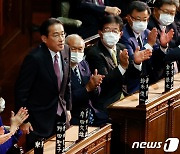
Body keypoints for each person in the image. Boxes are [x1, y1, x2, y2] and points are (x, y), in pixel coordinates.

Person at [14, 18, 72, 151]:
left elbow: (67, 82)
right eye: (56, 35)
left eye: (63, 34)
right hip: (38, 121)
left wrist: (67, 107)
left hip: (61, 117)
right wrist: (23, 121)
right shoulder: (35, 59)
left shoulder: (66, 50)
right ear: (44, 38)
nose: (61, 39)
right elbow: (21, 91)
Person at [85, 15, 151, 113]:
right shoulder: (94, 53)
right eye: (107, 30)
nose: (111, 34)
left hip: (123, 97)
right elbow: (104, 82)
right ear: (100, 33)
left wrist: (137, 63)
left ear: (120, 34)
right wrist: (122, 67)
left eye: (115, 31)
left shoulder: (121, 47)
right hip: (106, 103)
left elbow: (130, 77)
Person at [120, 1, 170, 93]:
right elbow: (131, 64)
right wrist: (149, 45)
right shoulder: (123, 36)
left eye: (144, 19)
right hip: (133, 85)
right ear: (128, 18)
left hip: (151, 80)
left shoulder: (147, 32)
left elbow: (156, 60)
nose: (141, 23)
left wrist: (163, 47)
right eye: (138, 19)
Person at [66, 34, 107, 126]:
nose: (77, 52)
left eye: (80, 49)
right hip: (74, 118)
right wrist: (87, 88)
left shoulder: (83, 64)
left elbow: (95, 92)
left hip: (91, 112)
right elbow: (65, 100)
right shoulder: (60, 69)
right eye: (73, 49)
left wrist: (96, 85)